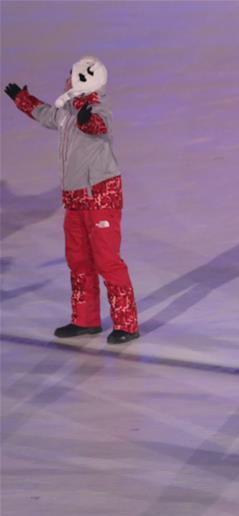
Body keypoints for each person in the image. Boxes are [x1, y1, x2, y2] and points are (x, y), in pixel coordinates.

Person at [4, 56, 140, 344]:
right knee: (78, 260)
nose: (66, 78)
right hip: (74, 199)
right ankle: (85, 319)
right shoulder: (66, 110)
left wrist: (87, 119)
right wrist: (23, 99)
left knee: (107, 261)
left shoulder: (98, 108)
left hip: (100, 195)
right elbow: (45, 114)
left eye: (71, 75)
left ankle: (126, 324)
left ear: (84, 79)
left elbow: (99, 126)